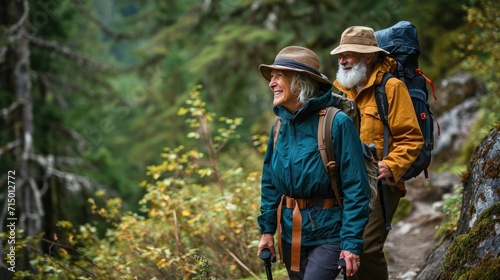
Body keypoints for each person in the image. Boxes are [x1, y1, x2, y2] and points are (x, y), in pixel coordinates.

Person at [256, 46, 371, 279]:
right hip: (289, 233)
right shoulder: (279, 127)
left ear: (300, 82)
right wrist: (267, 231)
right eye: (272, 77)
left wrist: (350, 243)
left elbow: (357, 189)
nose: (272, 83)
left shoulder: (336, 123)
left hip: (329, 234)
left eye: (279, 76)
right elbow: (269, 183)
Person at [330, 26, 425, 279]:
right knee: (342, 249)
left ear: (369, 56)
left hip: (380, 183)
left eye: (349, 54)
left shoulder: (391, 87)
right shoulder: (339, 90)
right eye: (340, 55)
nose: (341, 60)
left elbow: (412, 138)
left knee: (365, 247)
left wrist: (391, 165)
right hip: (344, 184)